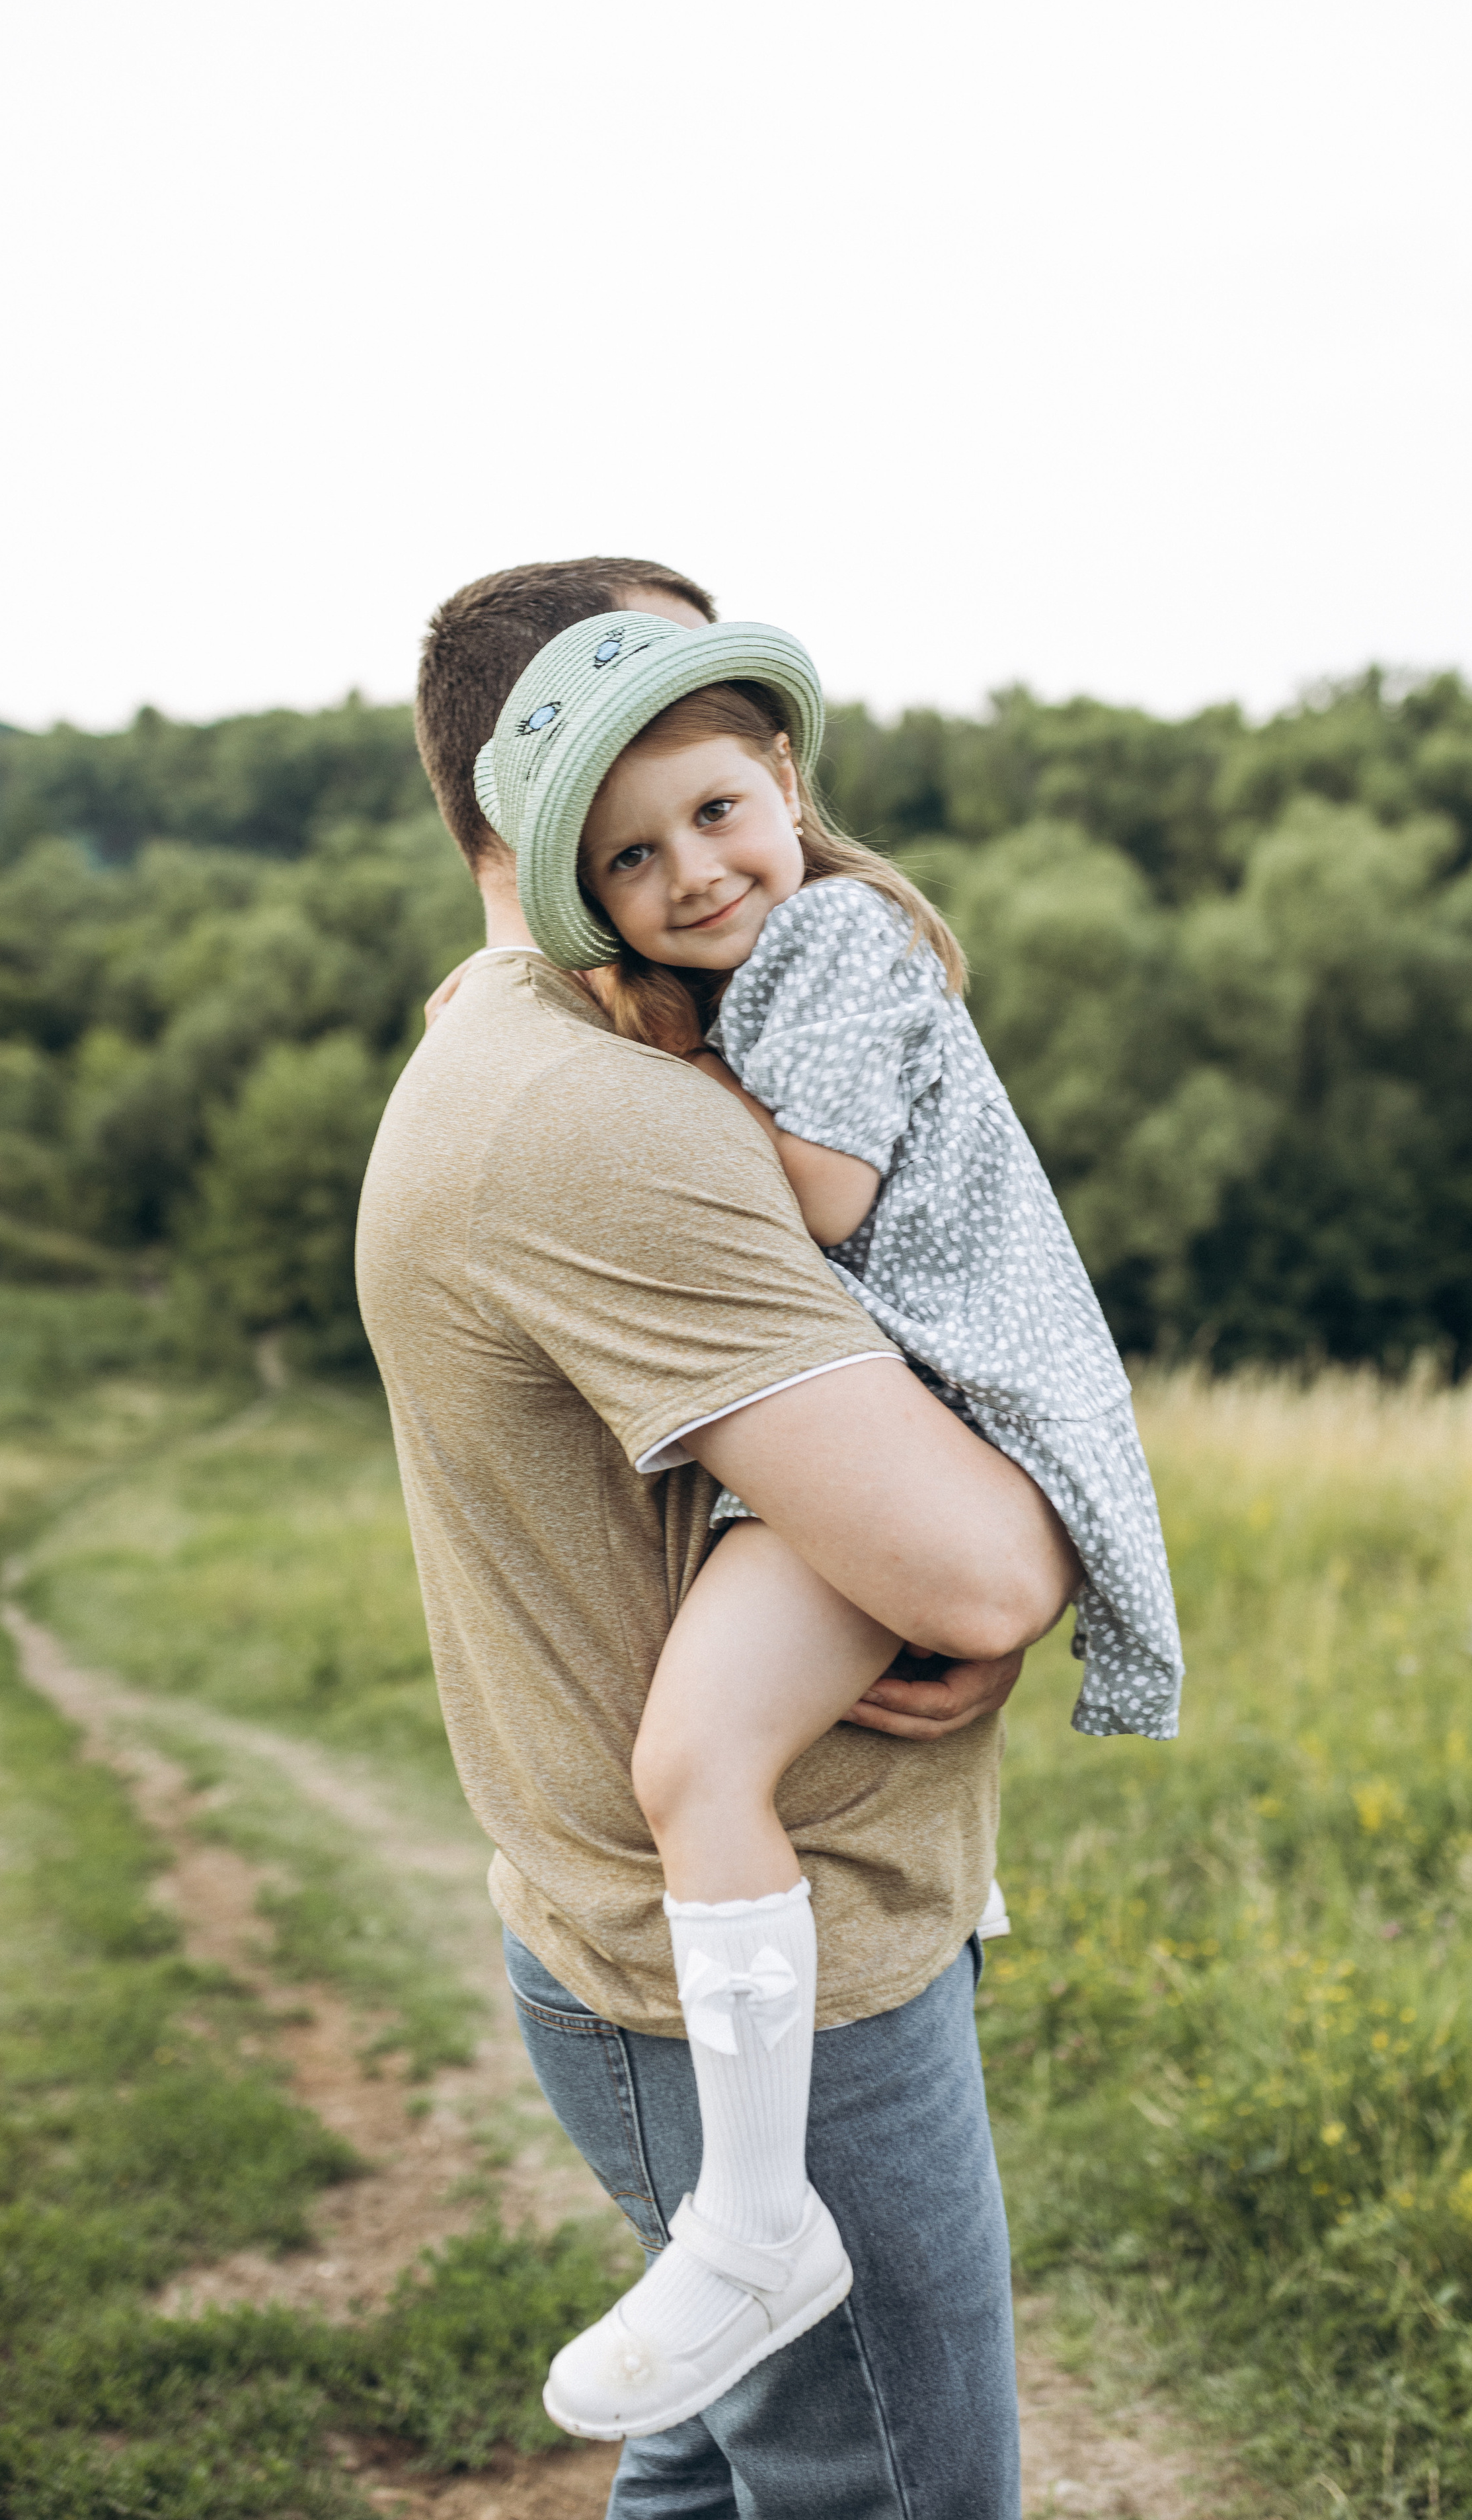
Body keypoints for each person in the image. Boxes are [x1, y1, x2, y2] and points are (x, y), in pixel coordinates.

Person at [358, 558, 1079, 2519]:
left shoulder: (558, 1048)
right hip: (778, 1980)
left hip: (716, 1935)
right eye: (635, 809)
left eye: (723, 782)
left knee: (709, 2470)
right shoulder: (605, 1115)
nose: (701, 855)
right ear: (537, 812)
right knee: (893, 2497)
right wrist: (992, 1568)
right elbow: (988, 1574)